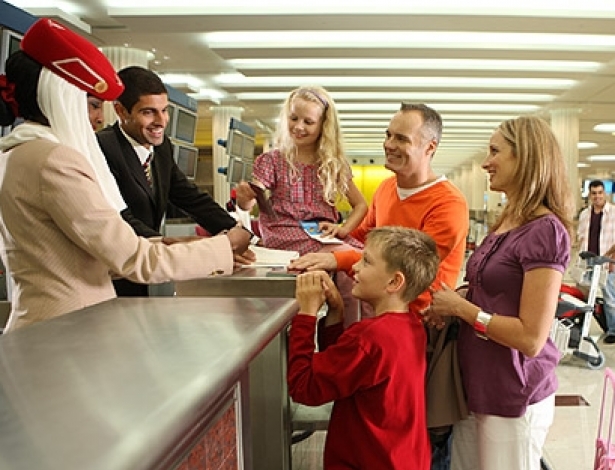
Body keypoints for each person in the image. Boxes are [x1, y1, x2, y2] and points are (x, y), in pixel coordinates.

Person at [0, 19, 251, 331]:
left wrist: (172, 243)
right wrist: (224, 247)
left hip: (50, 326)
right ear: (64, 100)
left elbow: (88, 256)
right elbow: (133, 260)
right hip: (67, 329)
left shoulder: (19, 152)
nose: (97, 118)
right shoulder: (55, 161)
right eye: (92, 105)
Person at [289, 102, 469, 469]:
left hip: (422, 328)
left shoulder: (448, 204)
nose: (389, 144)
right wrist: (338, 235)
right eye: (388, 135)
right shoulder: (387, 188)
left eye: (401, 138)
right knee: (377, 419)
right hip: (391, 324)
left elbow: (405, 265)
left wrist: (336, 262)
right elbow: (363, 238)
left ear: (429, 147)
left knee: (401, 423)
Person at [425, 115, 574, 470]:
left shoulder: (545, 231)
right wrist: (456, 300)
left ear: (525, 158)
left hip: (512, 391)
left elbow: (530, 338)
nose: (486, 162)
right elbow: (494, 290)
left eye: (495, 151)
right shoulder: (507, 222)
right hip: (476, 384)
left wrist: (462, 309)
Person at [288, 226, 439, 470]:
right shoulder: (412, 326)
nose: (355, 267)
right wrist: (336, 311)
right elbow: (343, 372)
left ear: (394, 281)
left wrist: (306, 314)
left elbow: (304, 387)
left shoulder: (369, 337)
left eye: (366, 261)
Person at [98, 66, 253, 297]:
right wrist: (179, 245)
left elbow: (189, 197)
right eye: (149, 112)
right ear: (120, 110)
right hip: (114, 275)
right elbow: (119, 217)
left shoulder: (162, 149)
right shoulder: (103, 148)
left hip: (148, 273)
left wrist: (235, 230)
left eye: (164, 110)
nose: (161, 121)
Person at [235, 86, 368, 323]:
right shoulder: (273, 160)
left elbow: (361, 205)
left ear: (323, 126)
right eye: (293, 118)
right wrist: (245, 198)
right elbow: (251, 200)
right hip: (284, 231)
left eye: (308, 122)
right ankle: (349, 330)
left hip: (320, 234)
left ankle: (355, 328)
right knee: (352, 260)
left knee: (366, 263)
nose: (298, 126)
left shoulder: (333, 164)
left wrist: (343, 229)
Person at [577, 179, 615, 343]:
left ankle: (613, 331)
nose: (597, 196)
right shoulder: (585, 214)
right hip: (589, 261)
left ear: (604, 193)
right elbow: (581, 238)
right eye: (594, 193)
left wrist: (612, 260)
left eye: (600, 193)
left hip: (606, 261)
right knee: (584, 296)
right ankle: (582, 328)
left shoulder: (613, 213)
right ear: (589, 195)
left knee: (610, 298)